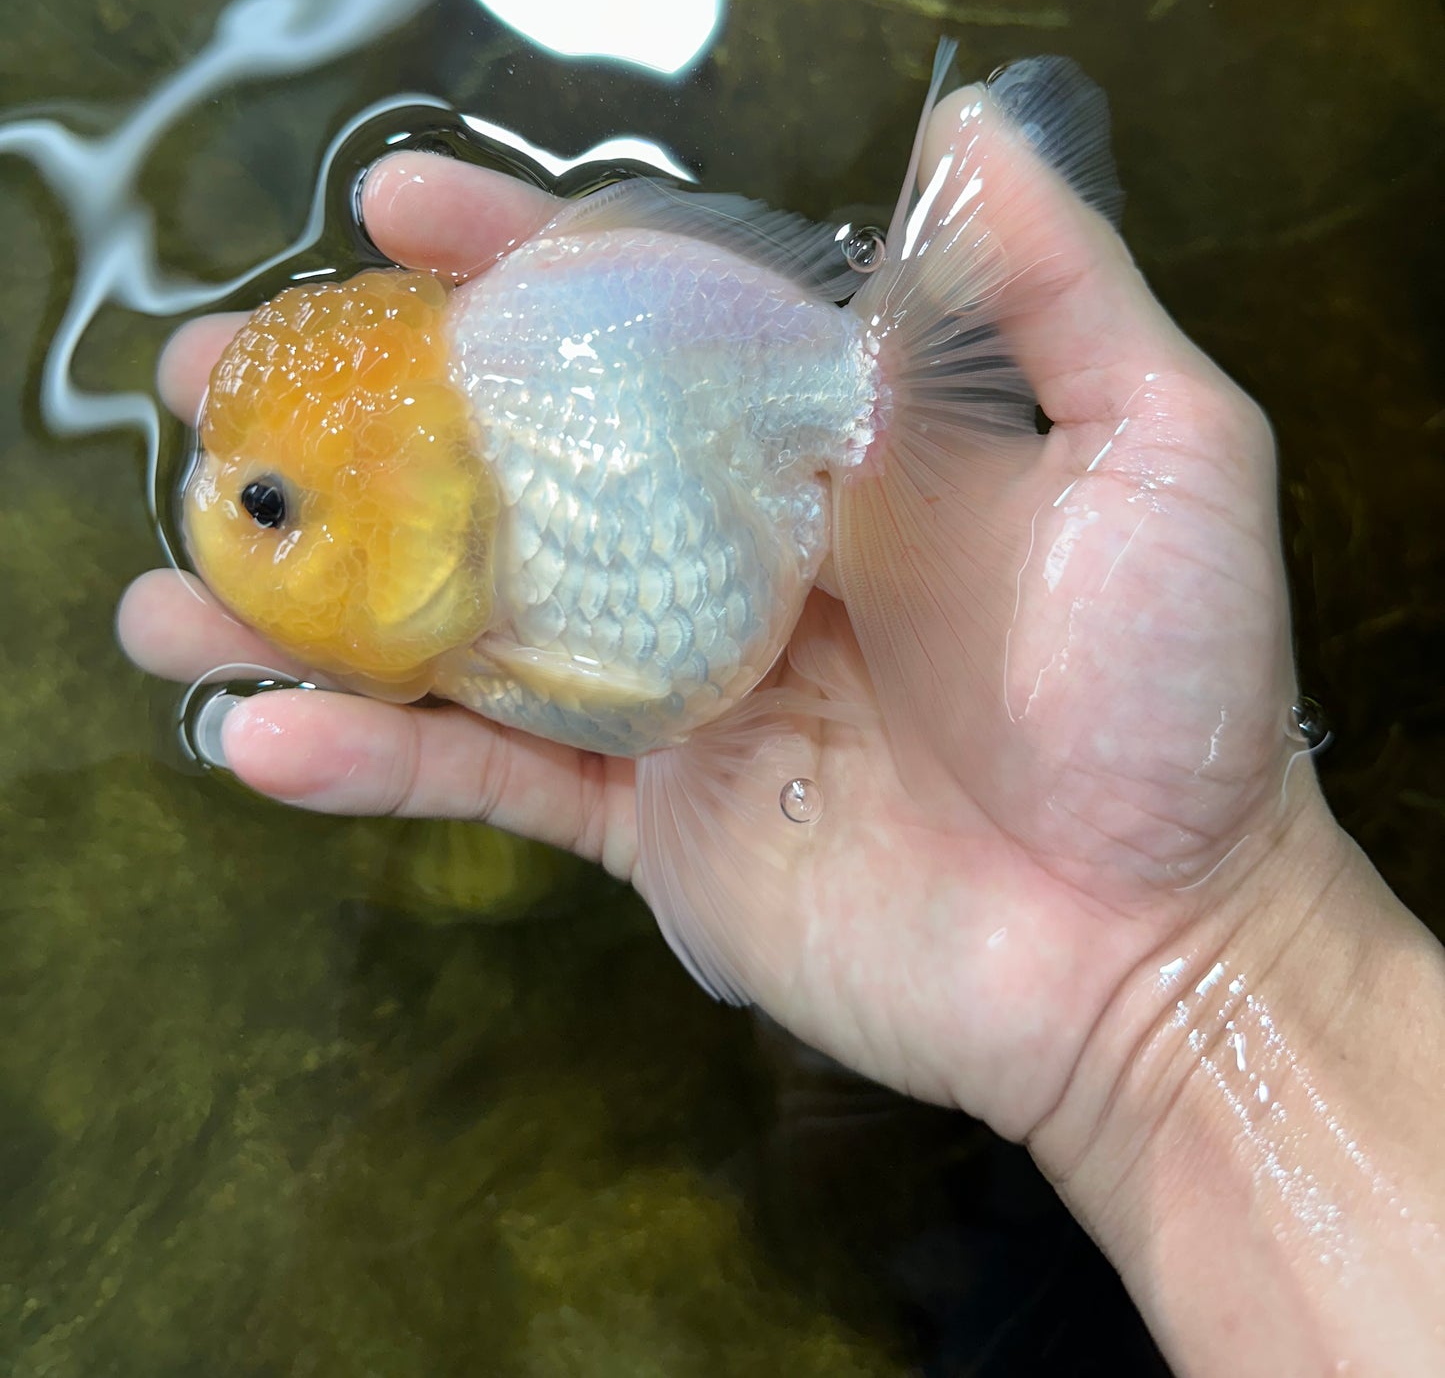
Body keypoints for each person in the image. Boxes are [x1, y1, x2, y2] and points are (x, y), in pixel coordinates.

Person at [119, 78, 1445, 1376]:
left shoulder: (511, 557)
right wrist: (1203, 973)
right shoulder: (481, 562)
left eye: (273, 508)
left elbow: (658, 694)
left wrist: (1198, 946)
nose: (234, 518)